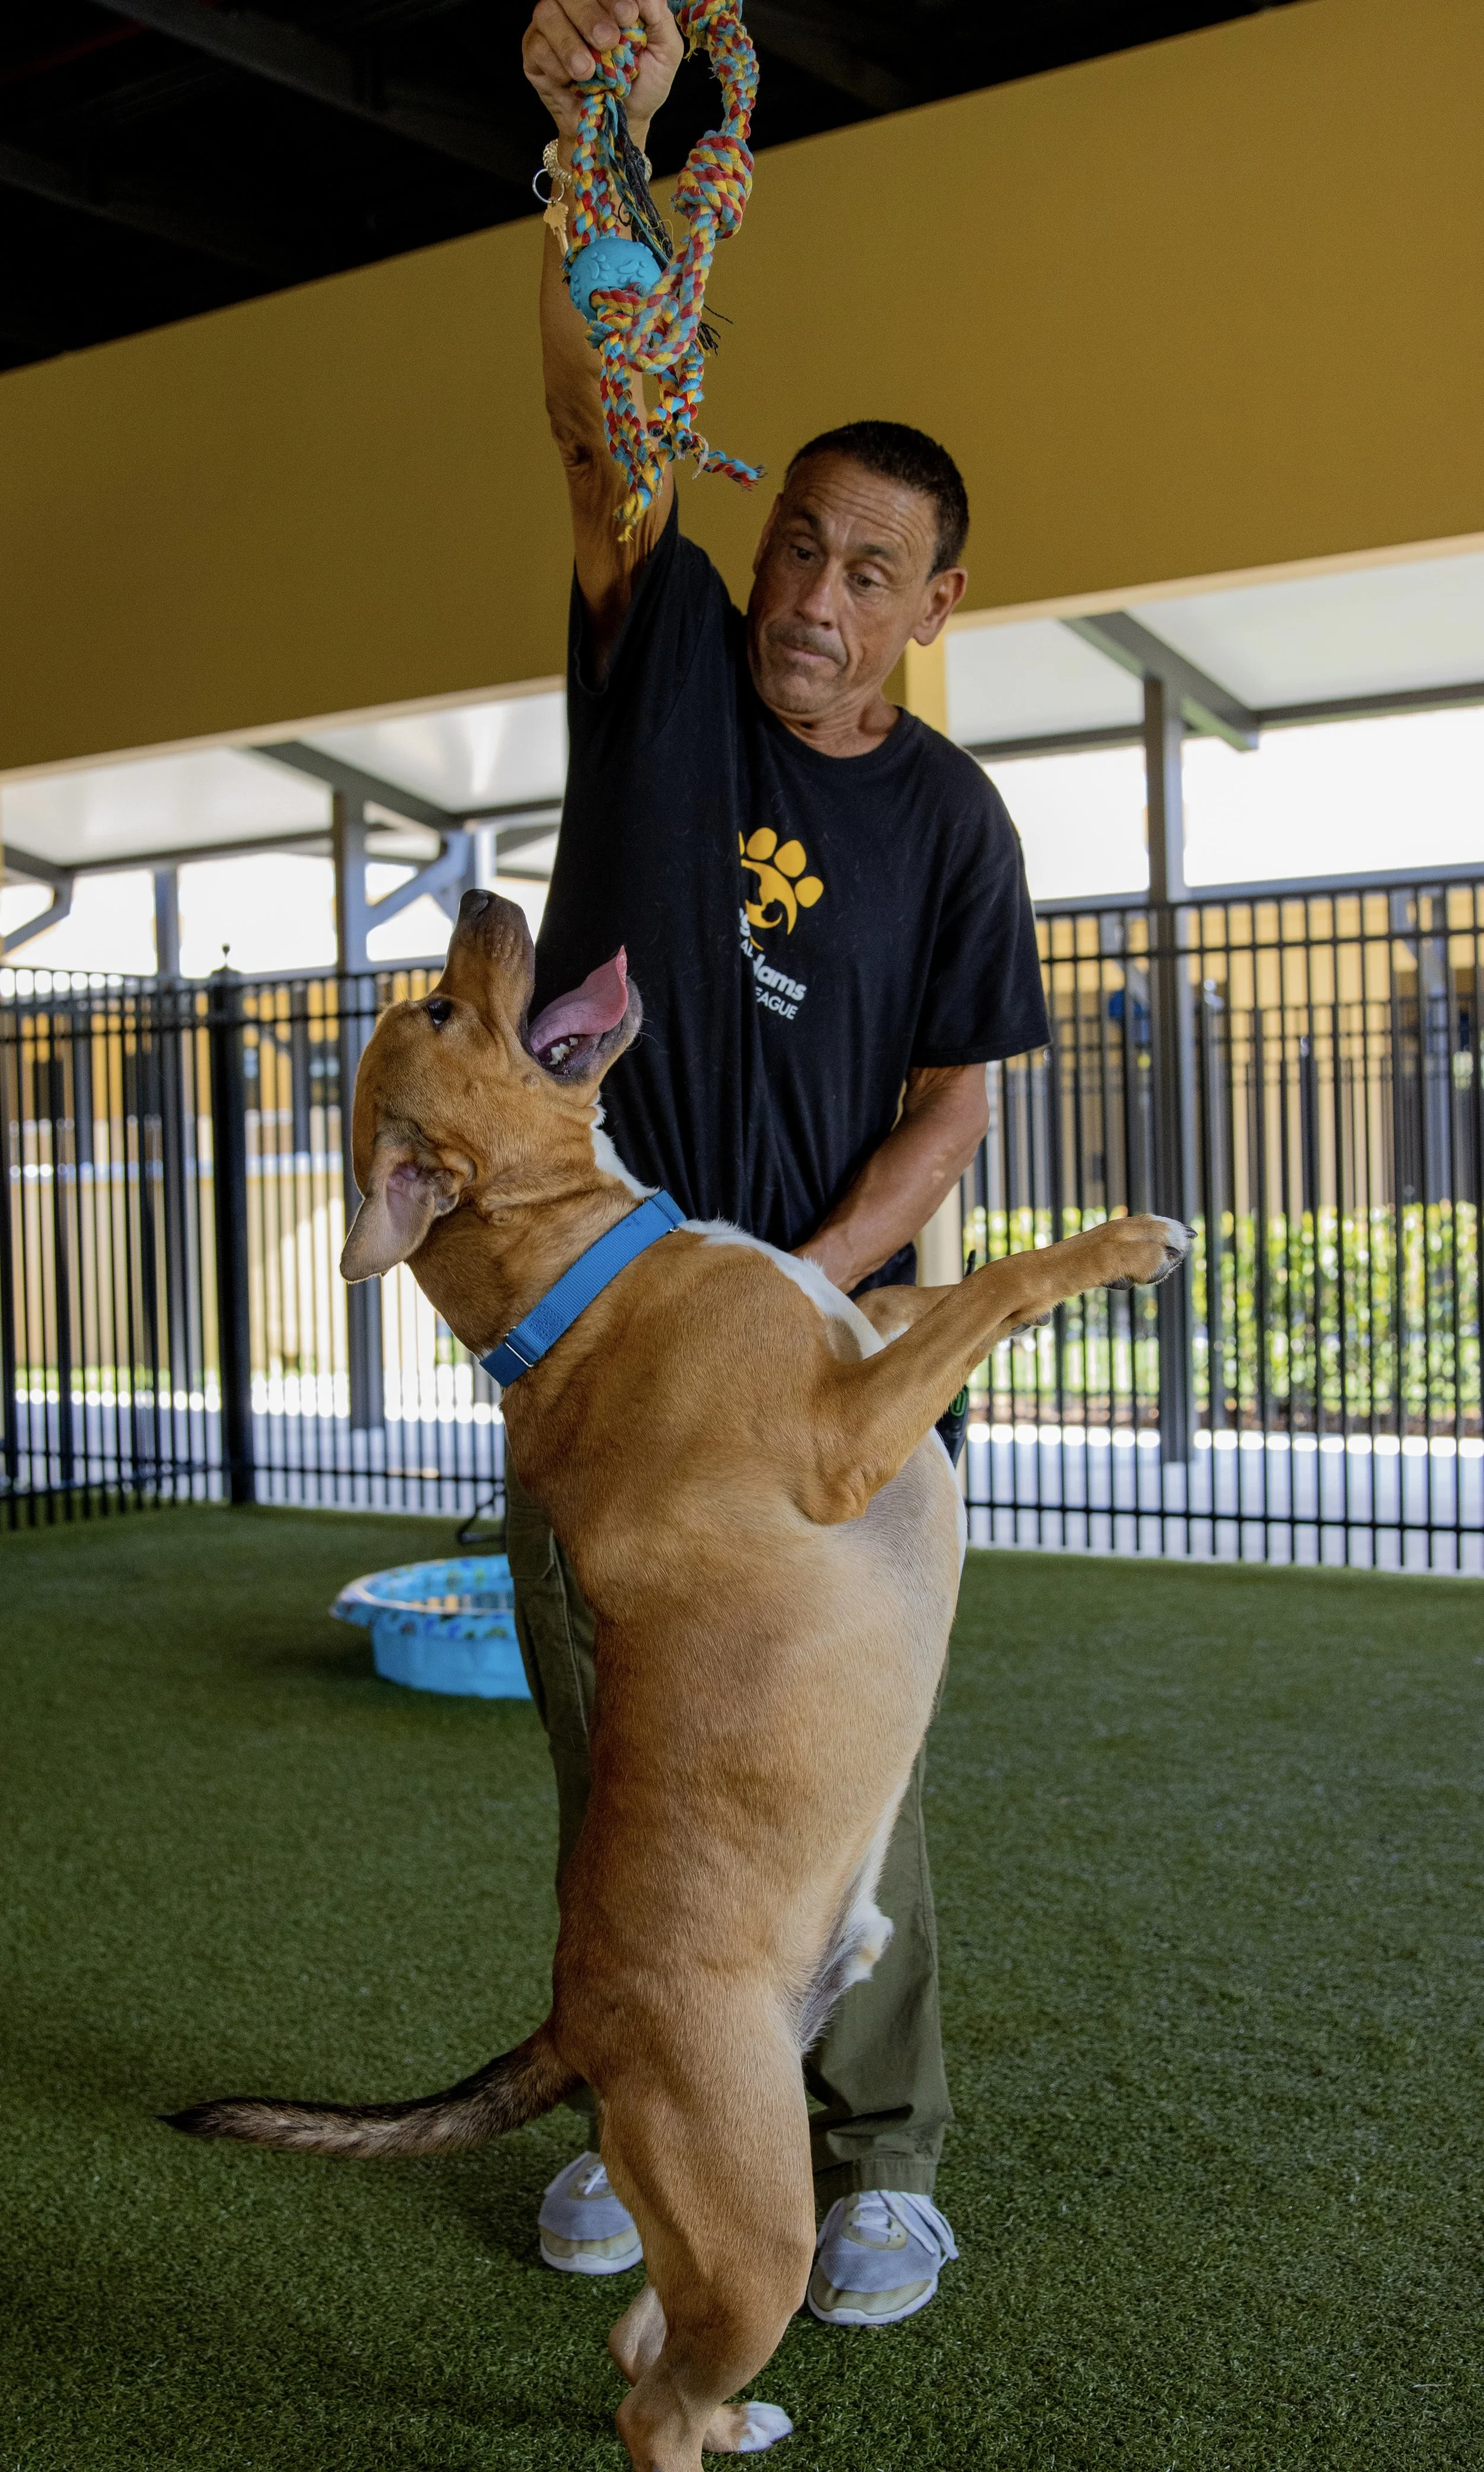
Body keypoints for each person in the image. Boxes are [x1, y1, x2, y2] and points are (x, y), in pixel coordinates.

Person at [513, 0, 1049, 2329]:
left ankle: (885, 2154)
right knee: (626, 1769)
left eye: (875, 568)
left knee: (848, 1802)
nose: (817, 595)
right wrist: (601, 152)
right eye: (799, 546)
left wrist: (801, 1295)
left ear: (940, 603)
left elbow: (958, 1098)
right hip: (605, 1379)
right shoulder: (665, 676)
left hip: (833, 1381)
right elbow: (602, 402)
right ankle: (646, 2127)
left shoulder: (955, 819)